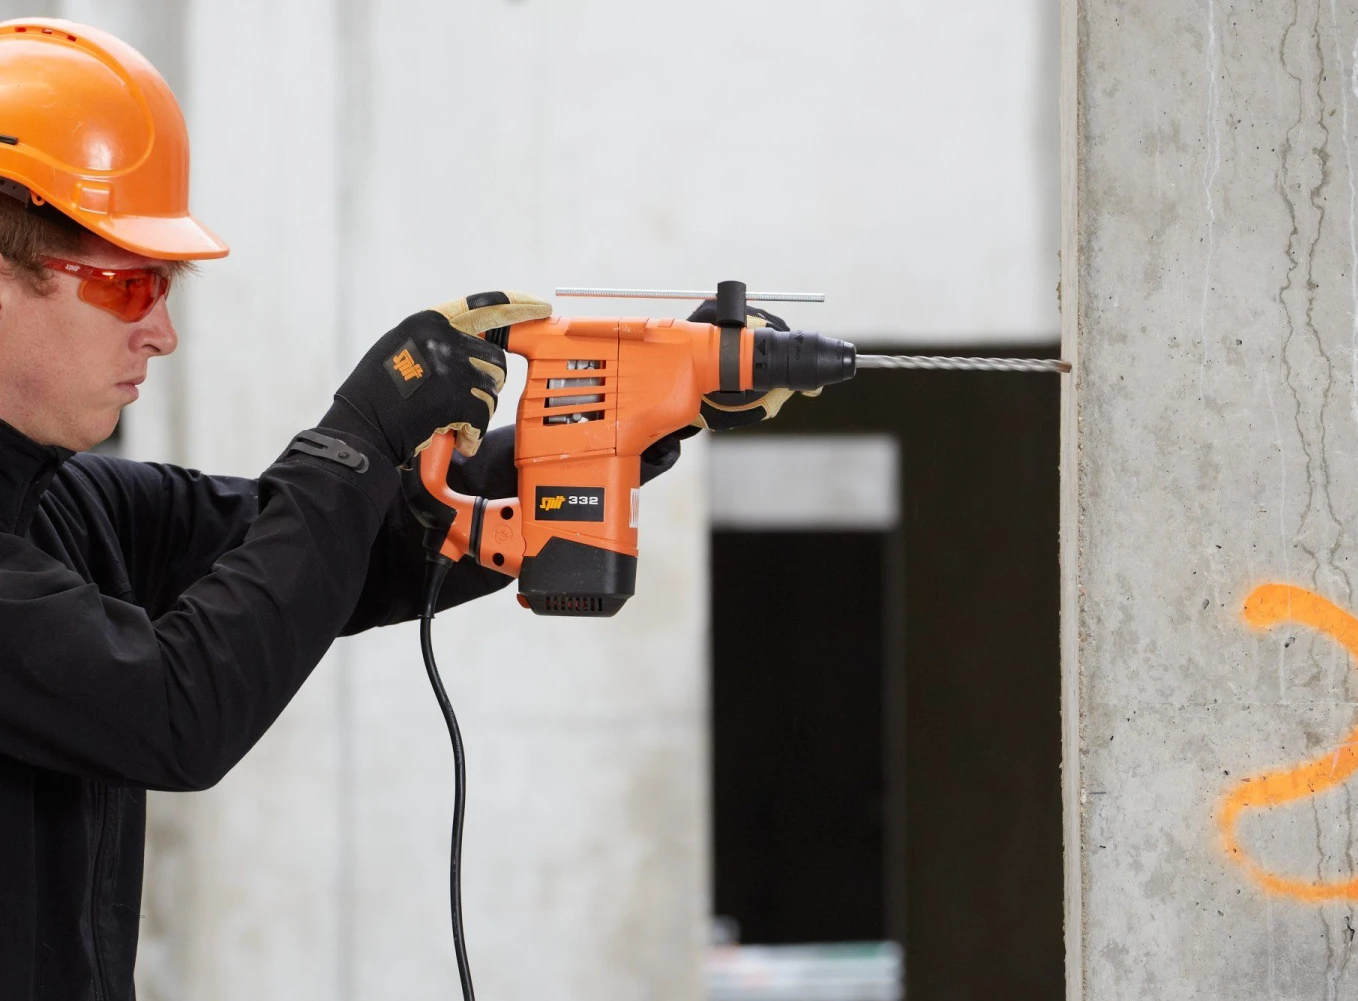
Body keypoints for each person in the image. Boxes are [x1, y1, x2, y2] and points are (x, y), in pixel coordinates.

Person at [0, 17, 805, 999]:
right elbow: (172, 711)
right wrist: (358, 436)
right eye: (130, 287)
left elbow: (325, 552)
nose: (163, 332)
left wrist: (625, 427)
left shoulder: (64, 506)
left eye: (164, 287)